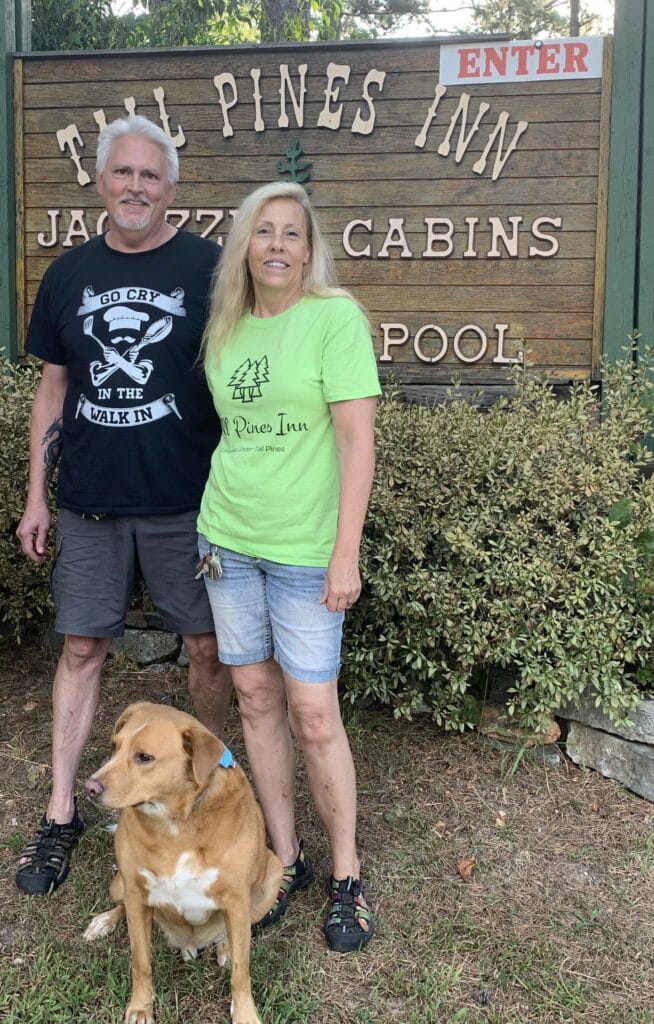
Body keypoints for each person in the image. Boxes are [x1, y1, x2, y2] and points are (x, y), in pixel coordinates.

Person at [14, 115, 232, 897]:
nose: (135, 186)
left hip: (188, 505)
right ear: (100, 183)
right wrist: (36, 494)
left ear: (171, 189)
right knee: (80, 651)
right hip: (90, 505)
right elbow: (53, 388)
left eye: (150, 175)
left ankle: (204, 793)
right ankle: (63, 809)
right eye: (123, 173)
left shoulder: (211, 269)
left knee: (207, 650)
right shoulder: (68, 275)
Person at [197, 181, 381, 953]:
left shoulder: (334, 319)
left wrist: (346, 553)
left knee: (312, 713)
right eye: (263, 231)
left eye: (292, 234)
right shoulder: (226, 326)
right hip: (228, 540)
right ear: (245, 244)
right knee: (253, 698)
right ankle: (287, 858)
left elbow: (356, 444)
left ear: (310, 249)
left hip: (308, 554)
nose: (277, 245)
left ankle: (346, 876)